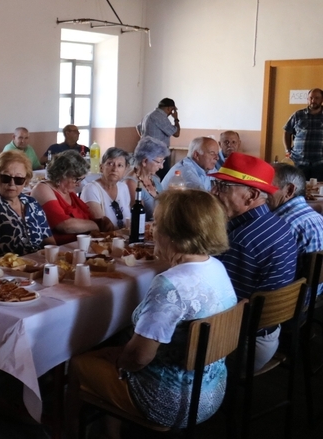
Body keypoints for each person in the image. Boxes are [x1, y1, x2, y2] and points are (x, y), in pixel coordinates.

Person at [69, 190, 236, 437]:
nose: (152, 230)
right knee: (116, 345)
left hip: (172, 401)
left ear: (173, 233)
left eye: (157, 223)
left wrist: (112, 357)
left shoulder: (170, 284)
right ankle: (110, 429)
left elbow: (138, 358)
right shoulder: (216, 266)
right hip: (213, 389)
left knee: (78, 362)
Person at [210, 152, 297, 371]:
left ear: (251, 195)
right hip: (269, 331)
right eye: (215, 184)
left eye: (222, 187)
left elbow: (219, 308)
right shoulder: (278, 224)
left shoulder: (241, 241)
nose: (213, 192)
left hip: (244, 344)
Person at [0, 150, 55, 256]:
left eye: (19, 179)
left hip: (38, 266)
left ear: (25, 181)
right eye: (6, 178)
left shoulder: (31, 203)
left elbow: (50, 243)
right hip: (6, 270)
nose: (12, 184)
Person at [31, 150, 115, 244]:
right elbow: (65, 225)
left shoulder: (69, 192)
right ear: (63, 174)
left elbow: (85, 217)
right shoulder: (42, 189)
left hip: (80, 245)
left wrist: (101, 221)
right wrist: (96, 225)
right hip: (59, 249)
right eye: (77, 179)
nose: (79, 184)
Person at [268, 164, 323, 278]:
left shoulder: (280, 226)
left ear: (289, 190)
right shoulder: (318, 218)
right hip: (316, 293)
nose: (261, 192)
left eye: (268, 187)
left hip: (292, 294)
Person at [80, 147, 132, 230]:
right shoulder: (91, 189)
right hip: (103, 240)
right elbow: (102, 226)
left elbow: (128, 221)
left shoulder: (123, 187)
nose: (115, 169)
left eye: (120, 165)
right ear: (101, 167)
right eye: (110, 164)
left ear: (125, 170)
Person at [124, 136, 169, 221]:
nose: (162, 167)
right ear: (145, 161)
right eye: (158, 162)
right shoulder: (131, 183)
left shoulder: (155, 179)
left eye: (163, 162)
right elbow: (140, 217)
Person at [284, 88, 323, 180]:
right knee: (298, 188)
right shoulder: (298, 115)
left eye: (317, 98)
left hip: (320, 163)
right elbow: (287, 131)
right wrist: (287, 151)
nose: (313, 101)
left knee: (319, 191)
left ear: (322, 99)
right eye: (311, 98)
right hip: (299, 162)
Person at [137, 98, 180, 177]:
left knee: (148, 175)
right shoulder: (161, 117)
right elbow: (176, 133)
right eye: (172, 110)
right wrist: (176, 119)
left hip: (147, 150)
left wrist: (145, 139)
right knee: (163, 176)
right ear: (169, 108)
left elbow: (138, 127)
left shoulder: (149, 115)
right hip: (158, 153)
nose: (171, 112)